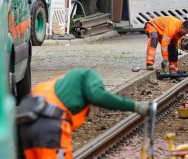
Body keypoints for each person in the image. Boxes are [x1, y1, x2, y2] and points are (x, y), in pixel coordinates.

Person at [16, 68, 152, 159]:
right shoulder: (89, 75)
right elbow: (98, 96)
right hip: (50, 128)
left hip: (24, 126)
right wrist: (135, 106)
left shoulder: (56, 84)